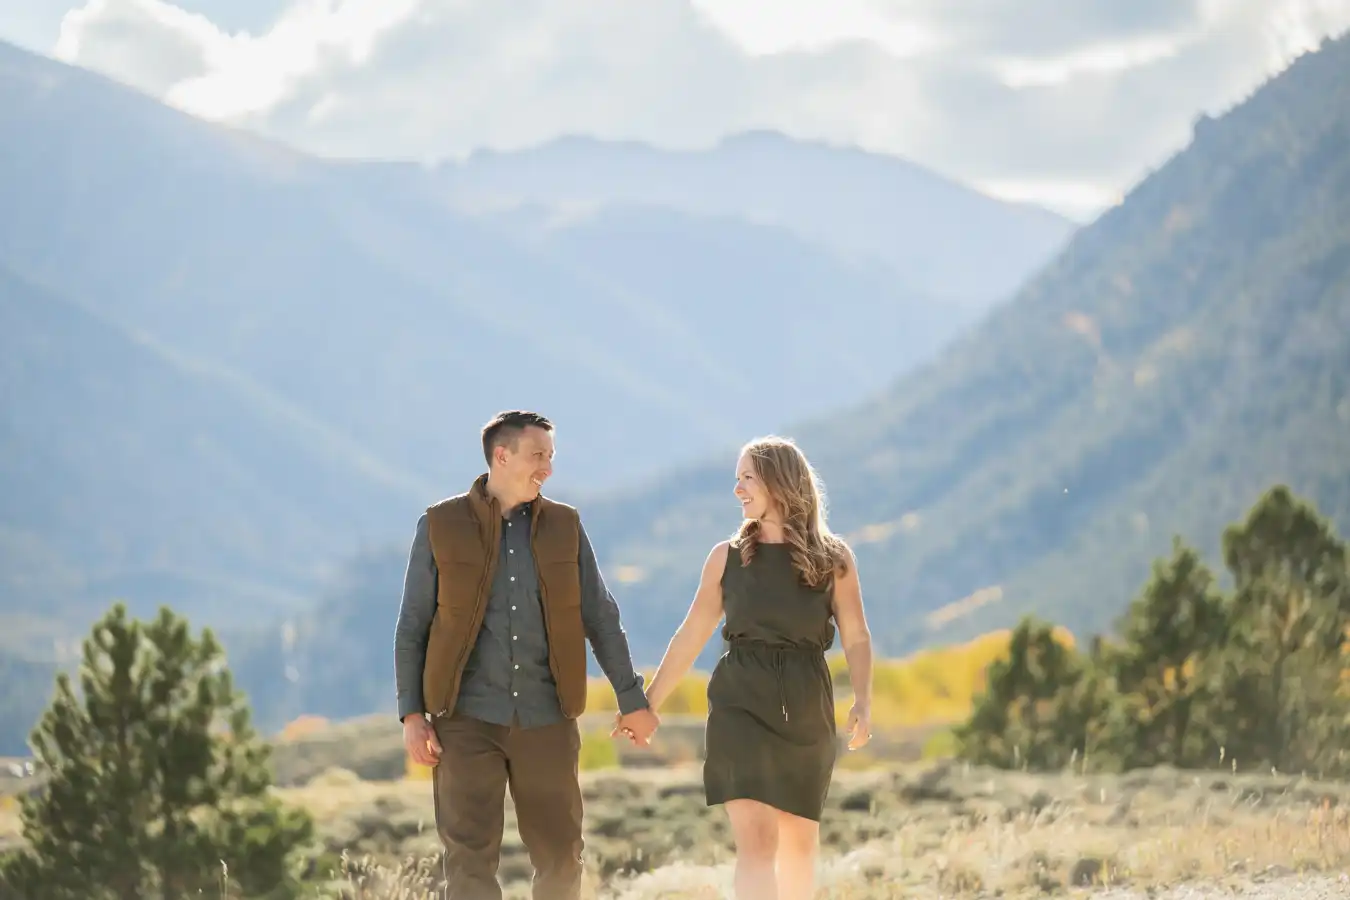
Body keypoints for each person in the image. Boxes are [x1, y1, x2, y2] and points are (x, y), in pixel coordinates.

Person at [394, 410, 661, 900]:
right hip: (465, 720)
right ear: (502, 455)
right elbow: (414, 625)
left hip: (548, 719)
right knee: (468, 862)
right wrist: (412, 714)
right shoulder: (440, 525)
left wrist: (632, 699)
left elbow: (600, 616)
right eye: (538, 455)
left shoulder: (565, 526)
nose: (548, 468)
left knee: (561, 856)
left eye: (551, 456)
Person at [622, 435, 874, 900]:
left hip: (806, 709)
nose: (737, 489)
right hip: (739, 706)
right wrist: (648, 703)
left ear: (779, 482)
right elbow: (691, 634)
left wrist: (863, 699)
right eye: (737, 478)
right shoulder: (727, 557)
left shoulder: (833, 559)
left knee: (799, 844)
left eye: (747, 478)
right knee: (757, 842)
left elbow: (857, 635)